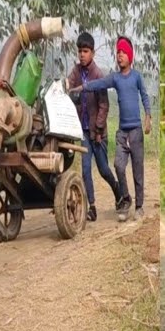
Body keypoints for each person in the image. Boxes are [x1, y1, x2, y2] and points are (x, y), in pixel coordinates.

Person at [74, 36, 152, 221]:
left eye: (123, 52)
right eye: (117, 53)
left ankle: (139, 206)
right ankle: (125, 199)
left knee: (138, 170)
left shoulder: (136, 77)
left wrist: (148, 116)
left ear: (130, 56)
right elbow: (99, 84)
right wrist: (81, 88)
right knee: (118, 165)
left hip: (136, 132)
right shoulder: (115, 78)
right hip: (122, 132)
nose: (120, 56)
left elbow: (145, 96)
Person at [66, 31, 122, 221]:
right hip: (82, 130)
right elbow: (68, 87)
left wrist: (98, 129)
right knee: (85, 169)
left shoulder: (98, 75)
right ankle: (92, 207)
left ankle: (117, 189)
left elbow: (104, 106)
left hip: (97, 133)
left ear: (93, 53)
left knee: (103, 169)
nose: (82, 55)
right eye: (80, 51)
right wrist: (67, 89)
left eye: (86, 51)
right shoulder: (75, 72)